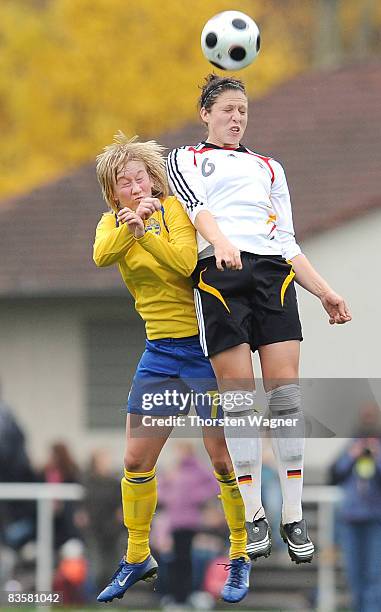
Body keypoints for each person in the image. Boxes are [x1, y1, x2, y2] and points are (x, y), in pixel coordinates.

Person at [167, 74, 352, 565]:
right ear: (205, 112)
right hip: (220, 273)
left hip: (273, 273)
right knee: (239, 396)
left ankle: (293, 515)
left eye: (243, 110)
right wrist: (222, 242)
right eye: (227, 108)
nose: (236, 117)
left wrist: (326, 291)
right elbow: (196, 208)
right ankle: (254, 514)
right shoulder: (185, 157)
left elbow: (288, 240)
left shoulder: (270, 168)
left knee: (285, 391)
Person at [93, 132, 250, 604]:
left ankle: (240, 553)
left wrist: (147, 232)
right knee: (135, 460)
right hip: (160, 353)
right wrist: (129, 229)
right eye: (125, 183)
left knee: (222, 456)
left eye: (141, 177)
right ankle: (138, 554)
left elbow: (184, 264)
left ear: (154, 179)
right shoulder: (110, 225)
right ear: (113, 192)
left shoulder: (175, 212)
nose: (136, 187)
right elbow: (102, 256)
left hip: (203, 349)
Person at [329, 403, 381, 612]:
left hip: (376, 520)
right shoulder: (352, 446)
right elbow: (334, 474)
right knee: (354, 573)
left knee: (374, 572)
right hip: (350, 519)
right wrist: (353, 454)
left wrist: (375, 456)